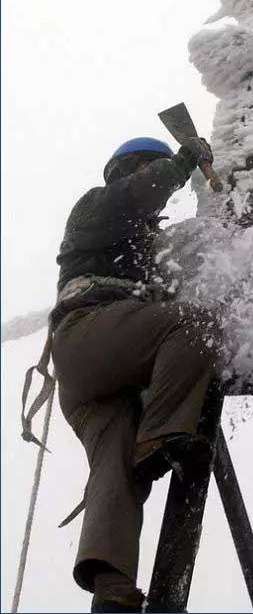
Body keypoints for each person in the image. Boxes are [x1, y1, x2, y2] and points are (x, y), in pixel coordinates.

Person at [50, 134, 225, 613]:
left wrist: (237, 219)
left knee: (117, 472)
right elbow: (139, 193)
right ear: (126, 171)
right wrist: (185, 161)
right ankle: (163, 435)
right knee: (195, 321)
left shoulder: (153, 247)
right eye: (151, 170)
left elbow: (209, 243)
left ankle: (112, 593)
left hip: (97, 376)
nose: (160, 183)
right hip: (89, 333)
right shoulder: (96, 208)